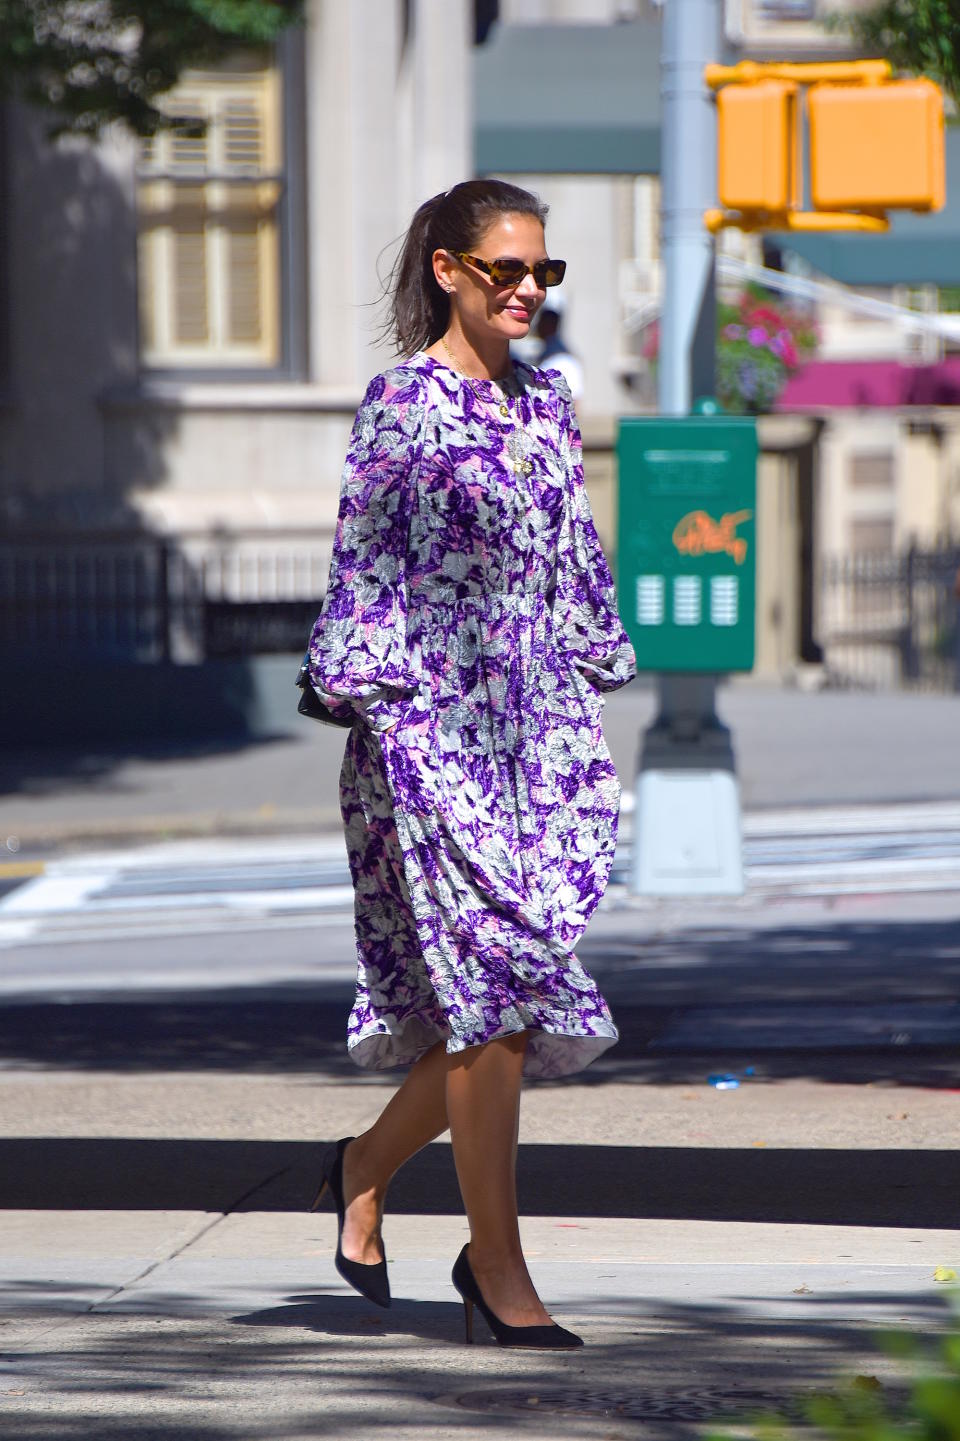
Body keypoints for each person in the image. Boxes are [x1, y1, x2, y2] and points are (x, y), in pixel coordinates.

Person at [305, 178, 636, 1349]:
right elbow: (365, 564)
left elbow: (572, 554)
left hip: (535, 735)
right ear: (449, 270)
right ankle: (499, 1270)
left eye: (546, 272)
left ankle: (359, 1164)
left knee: (491, 1006)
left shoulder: (547, 402)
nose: (531, 291)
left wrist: (588, 680)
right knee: (493, 1003)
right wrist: (380, 705)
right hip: (432, 731)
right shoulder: (402, 403)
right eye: (509, 270)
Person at [531, 294, 584, 400]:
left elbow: (575, 400)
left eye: (543, 320)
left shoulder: (564, 360)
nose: (538, 325)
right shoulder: (544, 352)